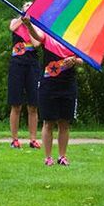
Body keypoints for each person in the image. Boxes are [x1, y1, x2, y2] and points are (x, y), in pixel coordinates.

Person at [23, 16, 81, 166]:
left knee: (64, 123)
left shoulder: (74, 37)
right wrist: (29, 25)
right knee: (48, 122)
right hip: (48, 84)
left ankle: (62, 156)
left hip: (68, 84)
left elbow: (83, 59)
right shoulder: (48, 35)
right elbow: (37, 37)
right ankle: (48, 157)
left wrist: (74, 60)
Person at [7, 4, 41, 149]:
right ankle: (14, 139)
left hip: (32, 66)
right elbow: (12, 28)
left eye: (31, 7)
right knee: (16, 105)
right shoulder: (15, 22)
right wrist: (23, 19)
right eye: (26, 6)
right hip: (16, 65)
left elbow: (36, 44)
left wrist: (30, 25)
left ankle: (33, 139)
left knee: (33, 105)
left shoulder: (38, 27)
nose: (29, 8)